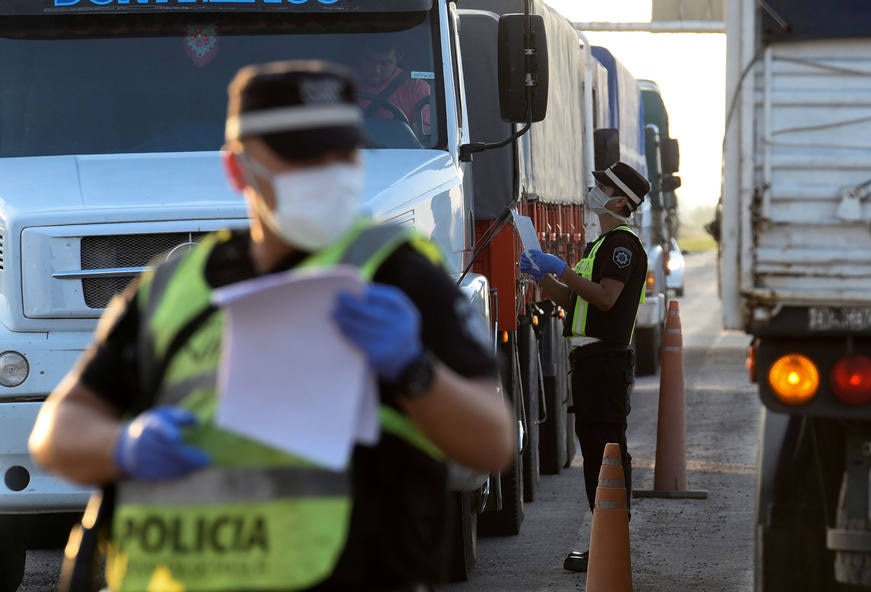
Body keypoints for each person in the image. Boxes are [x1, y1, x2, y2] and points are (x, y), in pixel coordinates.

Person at [28, 59, 515, 592]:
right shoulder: (174, 288)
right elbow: (58, 432)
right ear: (239, 169)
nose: (326, 173)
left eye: (341, 154)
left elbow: (491, 444)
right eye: (300, 157)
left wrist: (415, 371)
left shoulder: (398, 276)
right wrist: (124, 446)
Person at [519, 161, 650, 574]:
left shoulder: (621, 245)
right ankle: (606, 545)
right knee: (596, 455)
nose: (593, 189)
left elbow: (605, 298)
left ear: (619, 200)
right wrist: (545, 278)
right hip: (591, 362)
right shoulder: (601, 244)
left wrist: (563, 270)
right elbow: (576, 303)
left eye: (602, 185)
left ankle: (612, 549)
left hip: (606, 363)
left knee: (607, 454)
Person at [352, 39, 431, 131]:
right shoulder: (343, 81)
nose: (376, 69)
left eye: (385, 63)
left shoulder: (417, 88)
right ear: (361, 57)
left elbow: (424, 133)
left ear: (398, 59)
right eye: (371, 60)